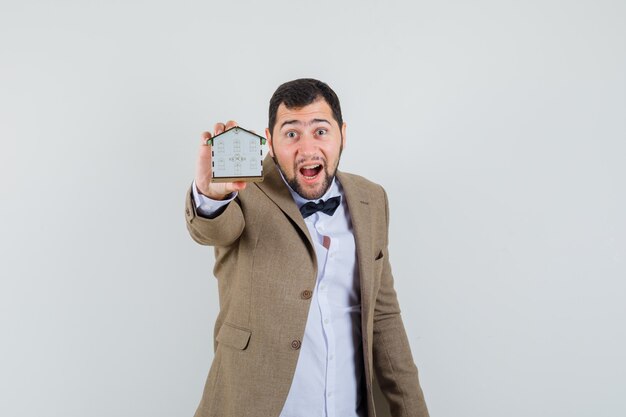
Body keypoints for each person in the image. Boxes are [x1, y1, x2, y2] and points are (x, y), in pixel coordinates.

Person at [184, 78, 429, 417]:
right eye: (291, 133)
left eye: (320, 131)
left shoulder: (371, 198)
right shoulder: (242, 191)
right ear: (269, 141)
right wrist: (211, 194)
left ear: (342, 133)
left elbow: (384, 316)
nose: (308, 148)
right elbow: (214, 229)